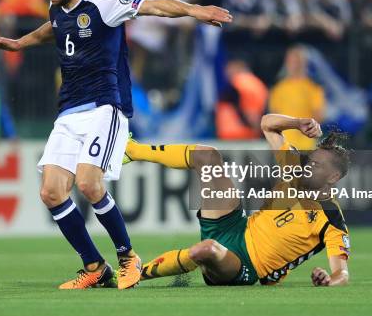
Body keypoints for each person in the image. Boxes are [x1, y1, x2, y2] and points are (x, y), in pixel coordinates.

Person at [0, 0, 232, 290]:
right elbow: (50, 30)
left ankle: (128, 257)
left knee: (88, 183)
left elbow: (152, 6)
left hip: (104, 107)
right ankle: (95, 267)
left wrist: (193, 10)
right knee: (52, 192)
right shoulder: (56, 7)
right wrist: (17, 44)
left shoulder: (103, 2)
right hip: (69, 111)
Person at [122, 113, 350, 287]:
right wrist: (297, 123)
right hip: (237, 226)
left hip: (248, 265)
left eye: (316, 166)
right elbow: (267, 124)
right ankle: (132, 150)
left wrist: (329, 279)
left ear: (333, 176)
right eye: (309, 161)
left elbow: (342, 273)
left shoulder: (331, 218)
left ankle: (132, 273)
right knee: (207, 156)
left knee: (206, 250)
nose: (308, 167)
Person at [269, 46, 325, 150]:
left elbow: (319, 116)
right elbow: (274, 117)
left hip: (306, 144)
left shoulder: (313, 88)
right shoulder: (278, 89)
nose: (294, 65)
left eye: (297, 61)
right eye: (291, 61)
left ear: (304, 63)